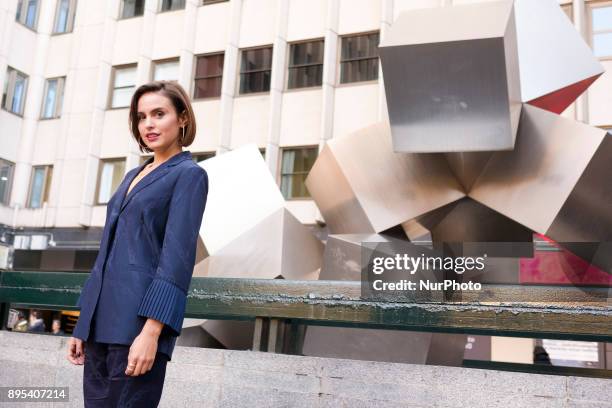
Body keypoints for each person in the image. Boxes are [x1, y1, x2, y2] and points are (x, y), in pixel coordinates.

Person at [66, 81, 209, 407]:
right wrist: (82, 323)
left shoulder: (189, 175)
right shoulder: (132, 175)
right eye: (142, 116)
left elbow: (177, 259)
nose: (149, 124)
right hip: (100, 327)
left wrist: (151, 333)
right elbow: (106, 255)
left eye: (159, 114)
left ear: (183, 118)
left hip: (137, 329)